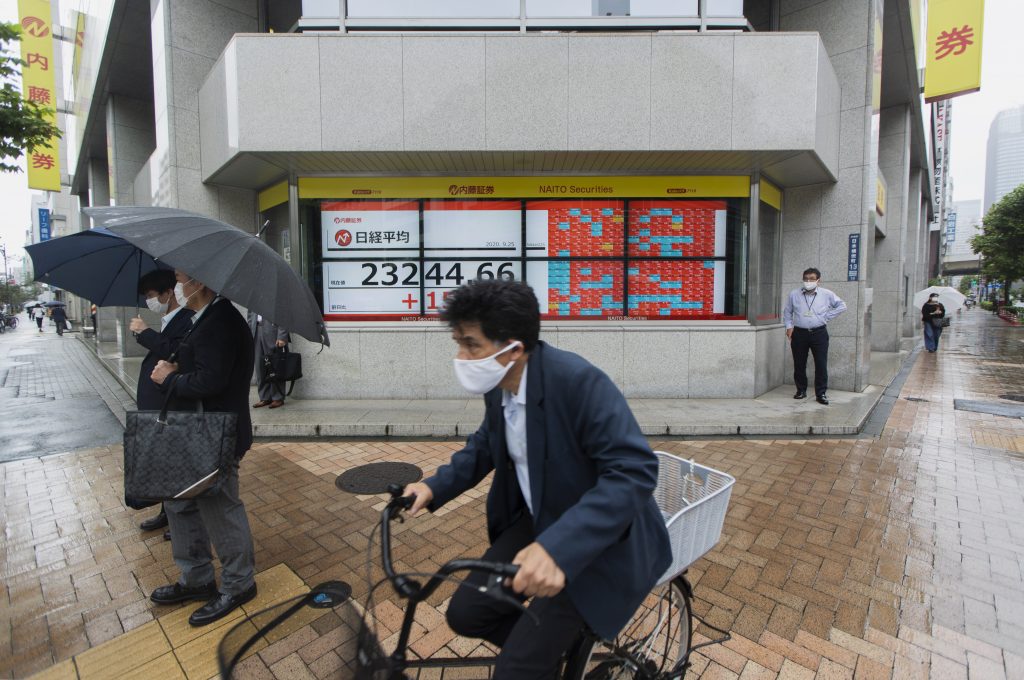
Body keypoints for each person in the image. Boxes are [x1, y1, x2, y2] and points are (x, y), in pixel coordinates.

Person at [402, 279, 671, 679]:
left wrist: (558, 549)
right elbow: (484, 445)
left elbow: (634, 470)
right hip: (540, 519)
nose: (461, 356)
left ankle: (534, 659)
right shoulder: (500, 385)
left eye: (472, 345)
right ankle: (550, 657)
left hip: (598, 542)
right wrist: (433, 485)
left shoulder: (578, 382)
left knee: (516, 668)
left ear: (515, 347)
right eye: (458, 342)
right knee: (466, 613)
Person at [149, 271, 257, 626]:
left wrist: (172, 378)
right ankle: (196, 578)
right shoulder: (202, 318)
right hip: (193, 431)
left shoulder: (221, 321)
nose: (178, 286)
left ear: (201, 283)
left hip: (216, 434)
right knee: (180, 504)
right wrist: (177, 363)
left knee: (219, 507)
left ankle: (239, 584)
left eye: (182, 279)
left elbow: (212, 380)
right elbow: (199, 362)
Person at [129, 270, 196, 537]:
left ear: (168, 293)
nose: (149, 301)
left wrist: (145, 333)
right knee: (165, 463)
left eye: (152, 295)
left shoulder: (187, 319)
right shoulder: (169, 319)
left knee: (175, 464)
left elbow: (173, 351)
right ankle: (168, 513)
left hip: (172, 404)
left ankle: (179, 517)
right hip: (160, 404)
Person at [783, 268, 847, 405]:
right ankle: (801, 390)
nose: (808, 281)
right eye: (805, 278)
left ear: (818, 280)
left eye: (811, 279)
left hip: (819, 333)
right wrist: (789, 327)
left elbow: (842, 305)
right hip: (799, 333)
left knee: (821, 364)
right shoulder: (794, 294)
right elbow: (788, 312)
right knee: (799, 364)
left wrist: (826, 317)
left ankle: (821, 393)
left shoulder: (826, 294)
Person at [247, 311, 290, 408]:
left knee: (275, 365)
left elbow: (284, 315)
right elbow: (250, 316)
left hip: (272, 332)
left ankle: (277, 397)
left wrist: (282, 336)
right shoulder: (254, 296)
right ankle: (264, 397)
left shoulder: (277, 295)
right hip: (256, 330)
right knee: (259, 366)